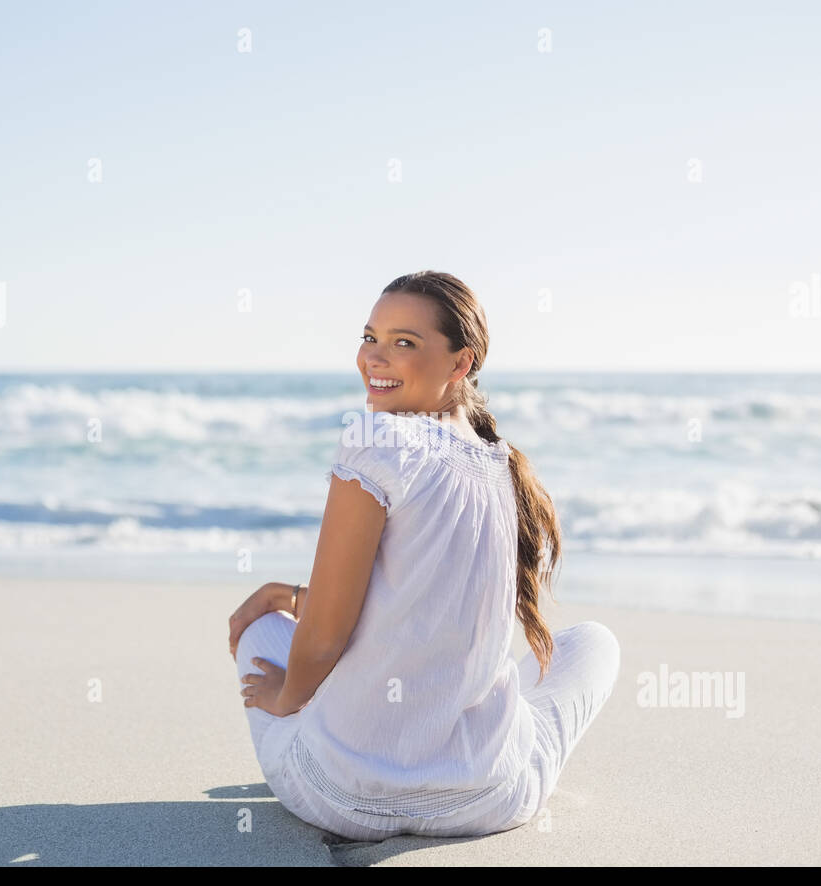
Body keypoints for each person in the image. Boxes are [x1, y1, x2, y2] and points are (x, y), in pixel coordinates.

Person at [228, 270, 621, 842]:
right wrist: (290, 595)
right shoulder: (502, 466)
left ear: (460, 364)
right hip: (486, 800)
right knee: (596, 644)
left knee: (264, 627)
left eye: (403, 343)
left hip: (340, 795)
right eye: (370, 338)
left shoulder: (375, 439)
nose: (374, 359)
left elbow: (325, 635)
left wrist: (284, 698)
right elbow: (412, 602)